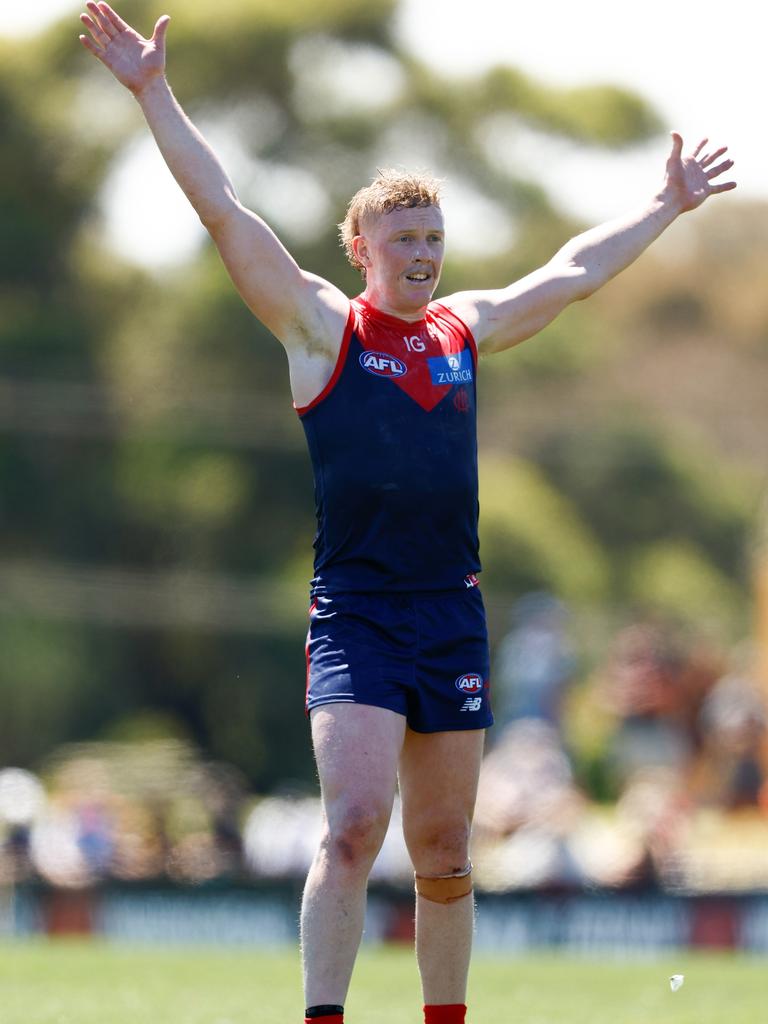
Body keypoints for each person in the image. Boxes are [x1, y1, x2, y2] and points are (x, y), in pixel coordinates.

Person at [78, 4, 736, 1022]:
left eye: (435, 234)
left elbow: (570, 275)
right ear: (361, 247)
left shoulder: (462, 330)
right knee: (351, 825)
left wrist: (663, 206)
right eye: (405, 236)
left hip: (451, 612)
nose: (425, 251)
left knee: (442, 850)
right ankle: (323, 1014)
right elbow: (220, 208)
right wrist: (154, 91)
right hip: (357, 613)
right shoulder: (316, 327)